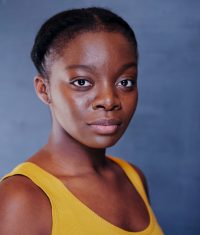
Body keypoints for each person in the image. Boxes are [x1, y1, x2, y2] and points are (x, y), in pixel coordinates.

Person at [0, 7, 164, 235]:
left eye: (125, 82)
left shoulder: (133, 178)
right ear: (44, 89)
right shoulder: (23, 198)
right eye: (81, 82)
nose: (108, 100)